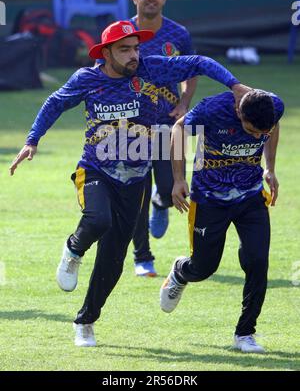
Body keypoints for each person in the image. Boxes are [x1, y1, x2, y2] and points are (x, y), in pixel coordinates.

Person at [10, 20, 249, 347]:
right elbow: (54, 103)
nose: (134, 54)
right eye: (125, 49)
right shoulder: (88, 79)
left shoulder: (152, 69)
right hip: (95, 170)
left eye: (136, 47)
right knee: (97, 219)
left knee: (113, 260)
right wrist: (32, 140)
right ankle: (73, 249)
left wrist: (234, 85)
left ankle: (86, 321)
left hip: (135, 179)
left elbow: (200, 63)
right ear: (106, 52)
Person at [160, 89, 284, 353]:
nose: (257, 137)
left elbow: (274, 125)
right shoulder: (212, 109)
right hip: (209, 198)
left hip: (250, 197)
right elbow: (178, 130)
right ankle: (181, 272)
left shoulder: (273, 107)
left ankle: (245, 333)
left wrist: (270, 167)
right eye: (252, 130)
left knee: (258, 261)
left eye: (263, 133)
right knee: (203, 268)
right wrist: (179, 179)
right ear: (239, 112)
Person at [130, 0, 197, 277]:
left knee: (172, 189)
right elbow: (102, 71)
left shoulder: (178, 34)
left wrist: (184, 103)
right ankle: (142, 257)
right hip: (131, 127)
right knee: (135, 193)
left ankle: (161, 201)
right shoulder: (122, 32)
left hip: (169, 125)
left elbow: (191, 70)